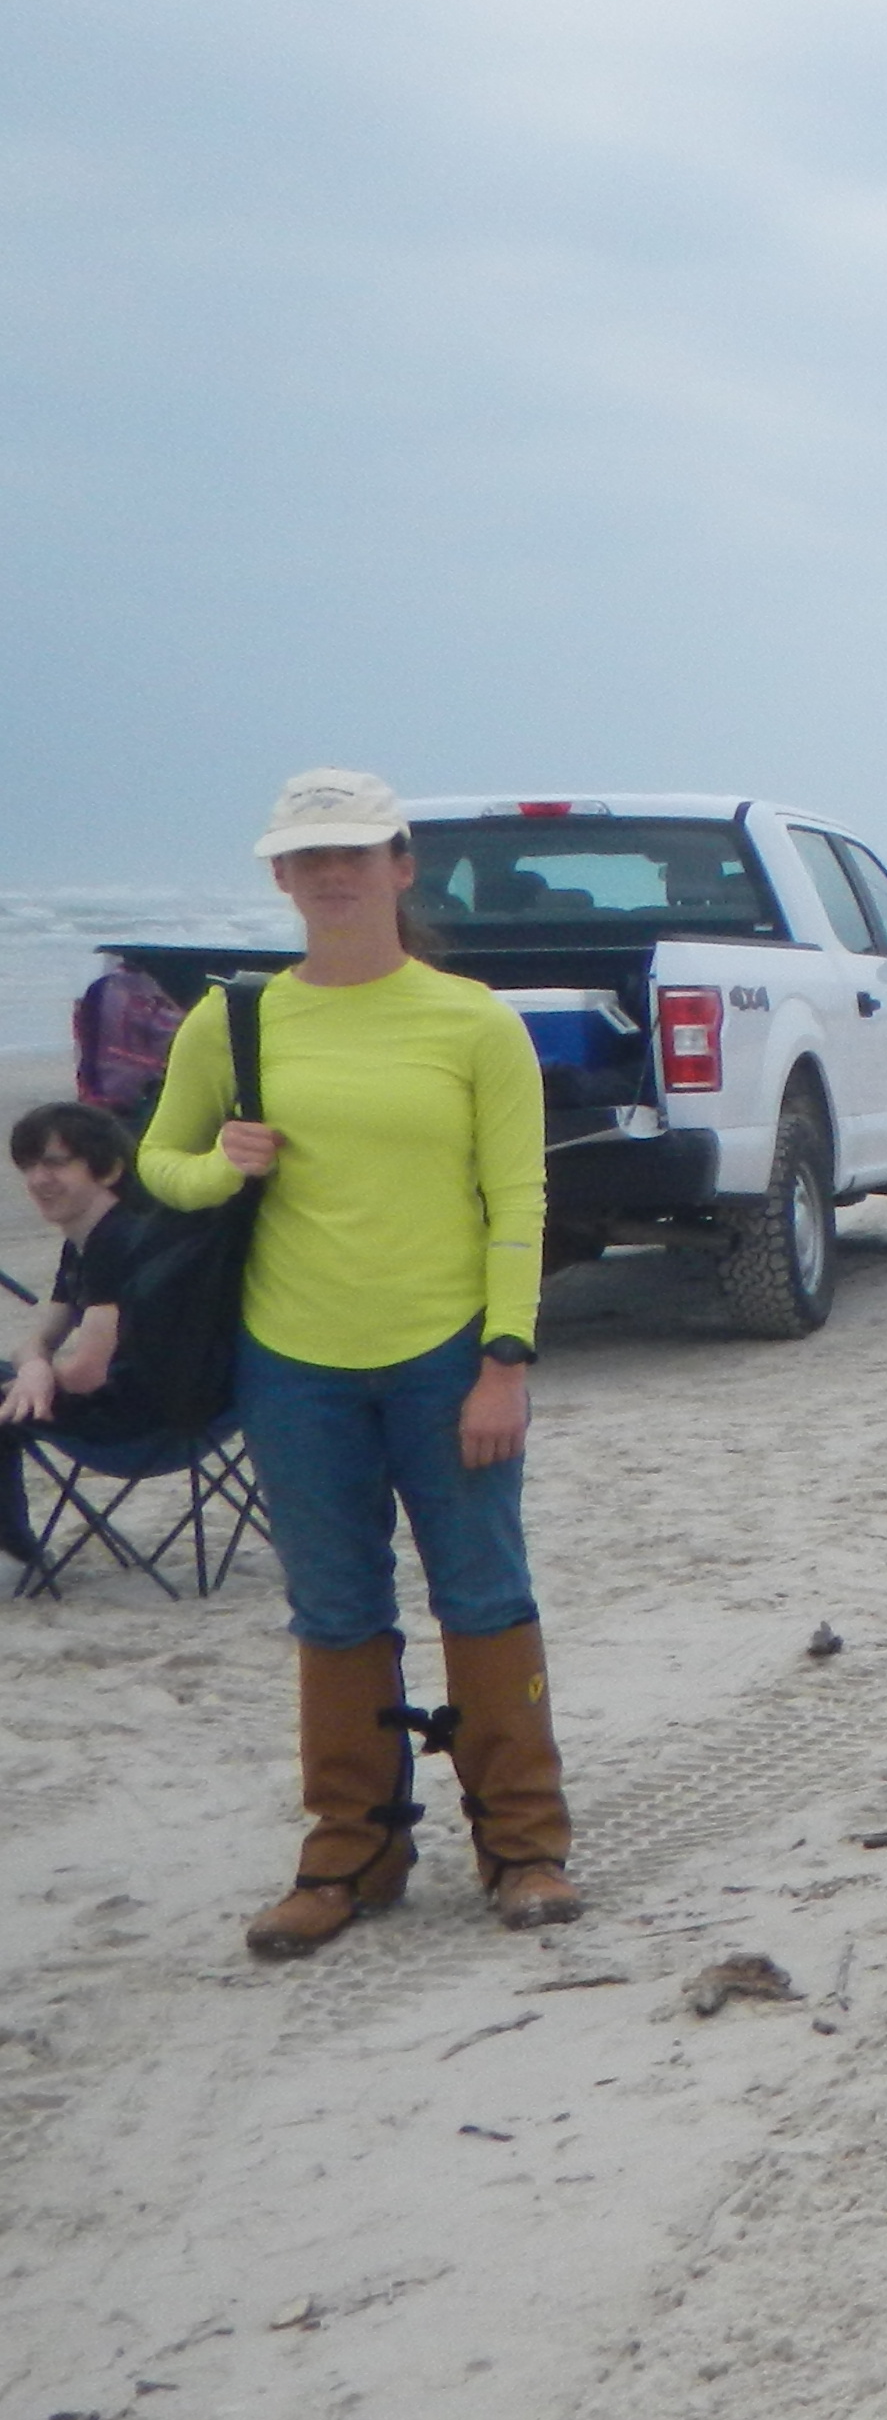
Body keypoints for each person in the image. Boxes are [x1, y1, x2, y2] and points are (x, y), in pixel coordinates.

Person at [138, 768, 582, 1955]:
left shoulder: (472, 1020)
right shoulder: (231, 1022)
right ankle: (353, 1855)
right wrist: (223, 1163)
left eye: (355, 851)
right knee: (333, 1608)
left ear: (400, 866)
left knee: (484, 1594)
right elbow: (158, 1169)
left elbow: (519, 1202)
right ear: (280, 877)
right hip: (292, 1364)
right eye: (308, 855)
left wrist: (505, 1359)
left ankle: (525, 1847)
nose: (332, 873)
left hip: (448, 1357)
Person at [4, 1101, 179, 1569]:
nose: (39, 1180)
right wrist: (36, 1369)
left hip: (139, 1422)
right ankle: (13, 1536)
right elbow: (37, 1339)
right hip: (163, 1408)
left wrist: (40, 1376)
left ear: (108, 1170)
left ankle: (13, 1539)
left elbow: (86, 1374)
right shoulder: (83, 1240)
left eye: (56, 1164)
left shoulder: (117, 1241)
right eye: (30, 1166)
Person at [71, 956, 185, 1123]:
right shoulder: (151, 993)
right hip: (139, 1096)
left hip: (100, 1090)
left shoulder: (101, 987)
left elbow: (84, 1036)